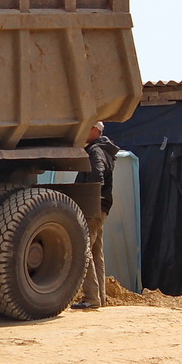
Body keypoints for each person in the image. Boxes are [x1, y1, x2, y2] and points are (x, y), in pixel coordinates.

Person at [71, 121, 120, 310]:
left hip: (93, 207)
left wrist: (90, 200)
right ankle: (100, 297)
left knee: (83, 249)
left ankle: (91, 297)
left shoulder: (96, 151)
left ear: (95, 130)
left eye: (86, 128)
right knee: (95, 251)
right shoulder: (106, 150)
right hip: (102, 207)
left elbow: (97, 175)